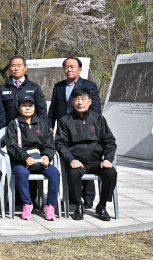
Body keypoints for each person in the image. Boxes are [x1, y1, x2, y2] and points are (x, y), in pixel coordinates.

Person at [55, 87, 117, 221]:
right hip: (77, 161)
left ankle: (102, 205)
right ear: (72, 102)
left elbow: (110, 142)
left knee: (111, 172)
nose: (80, 103)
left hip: (96, 161)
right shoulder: (65, 121)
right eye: (76, 99)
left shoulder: (99, 119)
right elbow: (60, 143)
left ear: (89, 102)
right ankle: (78, 204)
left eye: (83, 99)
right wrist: (70, 159)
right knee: (72, 173)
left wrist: (108, 158)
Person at [48, 57, 102, 208]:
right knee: (69, 161)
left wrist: (94, 128)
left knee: (87, 160)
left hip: (84, 129)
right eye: (66, 67)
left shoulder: (89, 85)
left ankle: (88, 197)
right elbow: (53, 109)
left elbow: (96, 109)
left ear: (80, 69)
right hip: (65, 130)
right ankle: (73, 196)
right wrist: (50, 126)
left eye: (72, 67)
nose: (69, 69)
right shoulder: (59, 86)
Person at [5, 95, 60, 220]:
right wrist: (25, 157)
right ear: (18, 108)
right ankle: (27, 203)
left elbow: (49, 144)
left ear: (34, 108)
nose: (27, 108)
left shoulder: (42, 124)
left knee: (55, 173)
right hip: (21, 161)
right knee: (22, 172)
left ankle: (51, 205)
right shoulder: (13, 125)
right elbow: (12, 146)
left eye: (30, 106)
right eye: (24, 106)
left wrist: (47, 155)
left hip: (39, 161)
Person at [0, 55, 48, 126]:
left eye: (19, 65)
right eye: (13, 66)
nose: (16, 69)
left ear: (25, 68)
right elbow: (0, 111)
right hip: (9, 128)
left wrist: (43, 127)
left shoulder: (34, 87)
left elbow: (42, 110)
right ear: (9, 68)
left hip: (30, 128)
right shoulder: (3, 88)